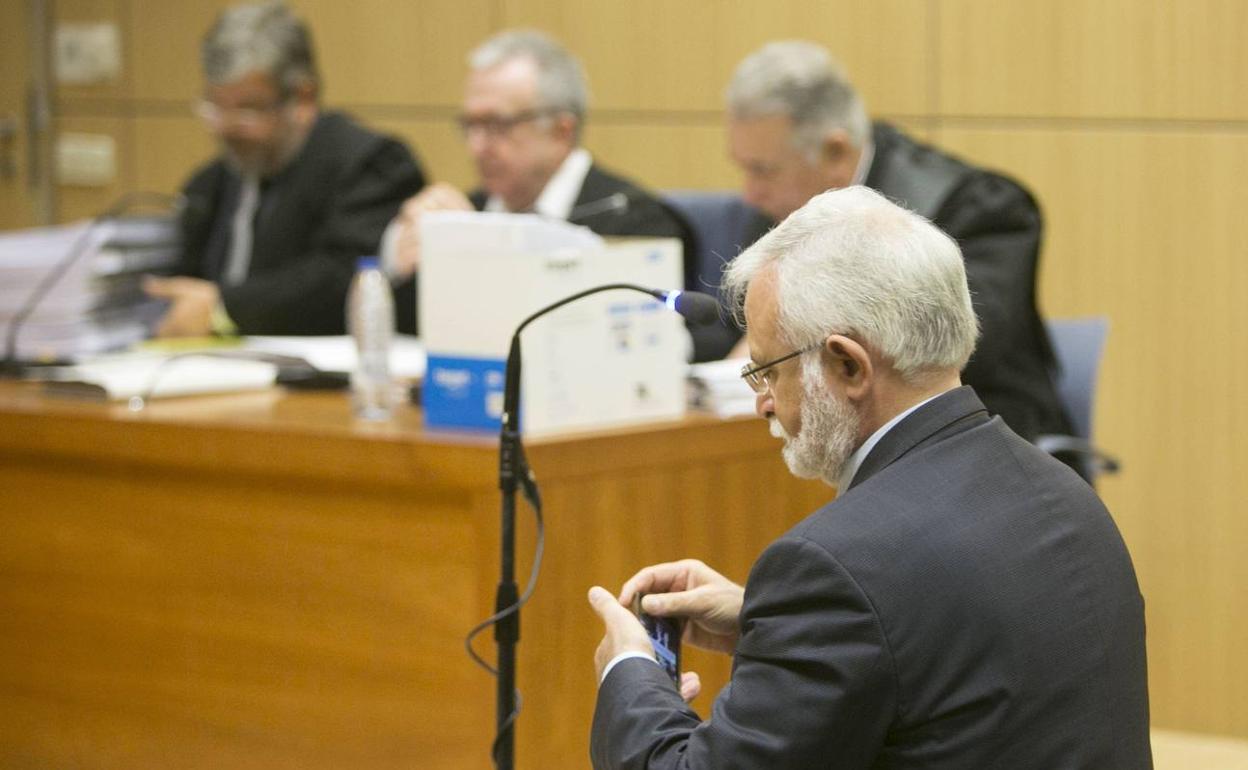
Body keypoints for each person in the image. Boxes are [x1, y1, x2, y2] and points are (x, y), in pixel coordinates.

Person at [587, 187, 1151, 768]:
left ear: (848, 365)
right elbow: (942, 653)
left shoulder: (834, 567)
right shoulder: (1066, 496)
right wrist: (768, 625)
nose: (762, 404)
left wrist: (629, 674)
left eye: (766, 371)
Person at [719, 40, 1071, 442]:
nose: (750, 193)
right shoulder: (779, 211)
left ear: (834, 152)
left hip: (974, 439)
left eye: (763, 170)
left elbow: (949, 350)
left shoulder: (976, 210)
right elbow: (732, 333)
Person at [378, 29, 693, 337]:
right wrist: (401, 255)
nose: (476, 147)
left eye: (497, 125)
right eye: (470, 126)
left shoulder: (634, 220)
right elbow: (408, 332)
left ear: (561, 131)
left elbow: (678, 338)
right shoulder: (466, 214)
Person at [145, 0, 425, 337]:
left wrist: (222, 307)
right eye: (215, 106)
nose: (226, 127)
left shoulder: (370, 165)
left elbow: (341, 278)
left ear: (303, 99)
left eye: (247, 108)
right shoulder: (213, 181)